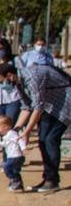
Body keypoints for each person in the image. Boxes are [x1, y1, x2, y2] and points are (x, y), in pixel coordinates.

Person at [14, 45, 70, 193]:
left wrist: (27, 131)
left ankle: (53, 180)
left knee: (51, 139)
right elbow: (27, 107)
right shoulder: (18, 83)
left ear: (10, 75)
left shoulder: (33, 76)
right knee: (42, 139)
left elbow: (37, 107)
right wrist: (17, 129)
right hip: (50, 107)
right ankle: (47, 178)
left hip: (65, 105)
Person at [0, 38, 22, 122]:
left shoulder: (15, 60)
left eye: (0, 49)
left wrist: (12, 78)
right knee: (1, 128)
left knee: (9, 125)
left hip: (13, 99)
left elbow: (23, 76)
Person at [0, 114, 26, 191]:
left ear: (5, 127)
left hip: (15, 156)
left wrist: (24, 148)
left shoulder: (12, 133)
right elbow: (6, 143)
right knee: (15, 171)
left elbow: (19, 140)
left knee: (6, 168)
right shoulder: (7, 135)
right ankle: (18, 184)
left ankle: (15, 181)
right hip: (13, 156)